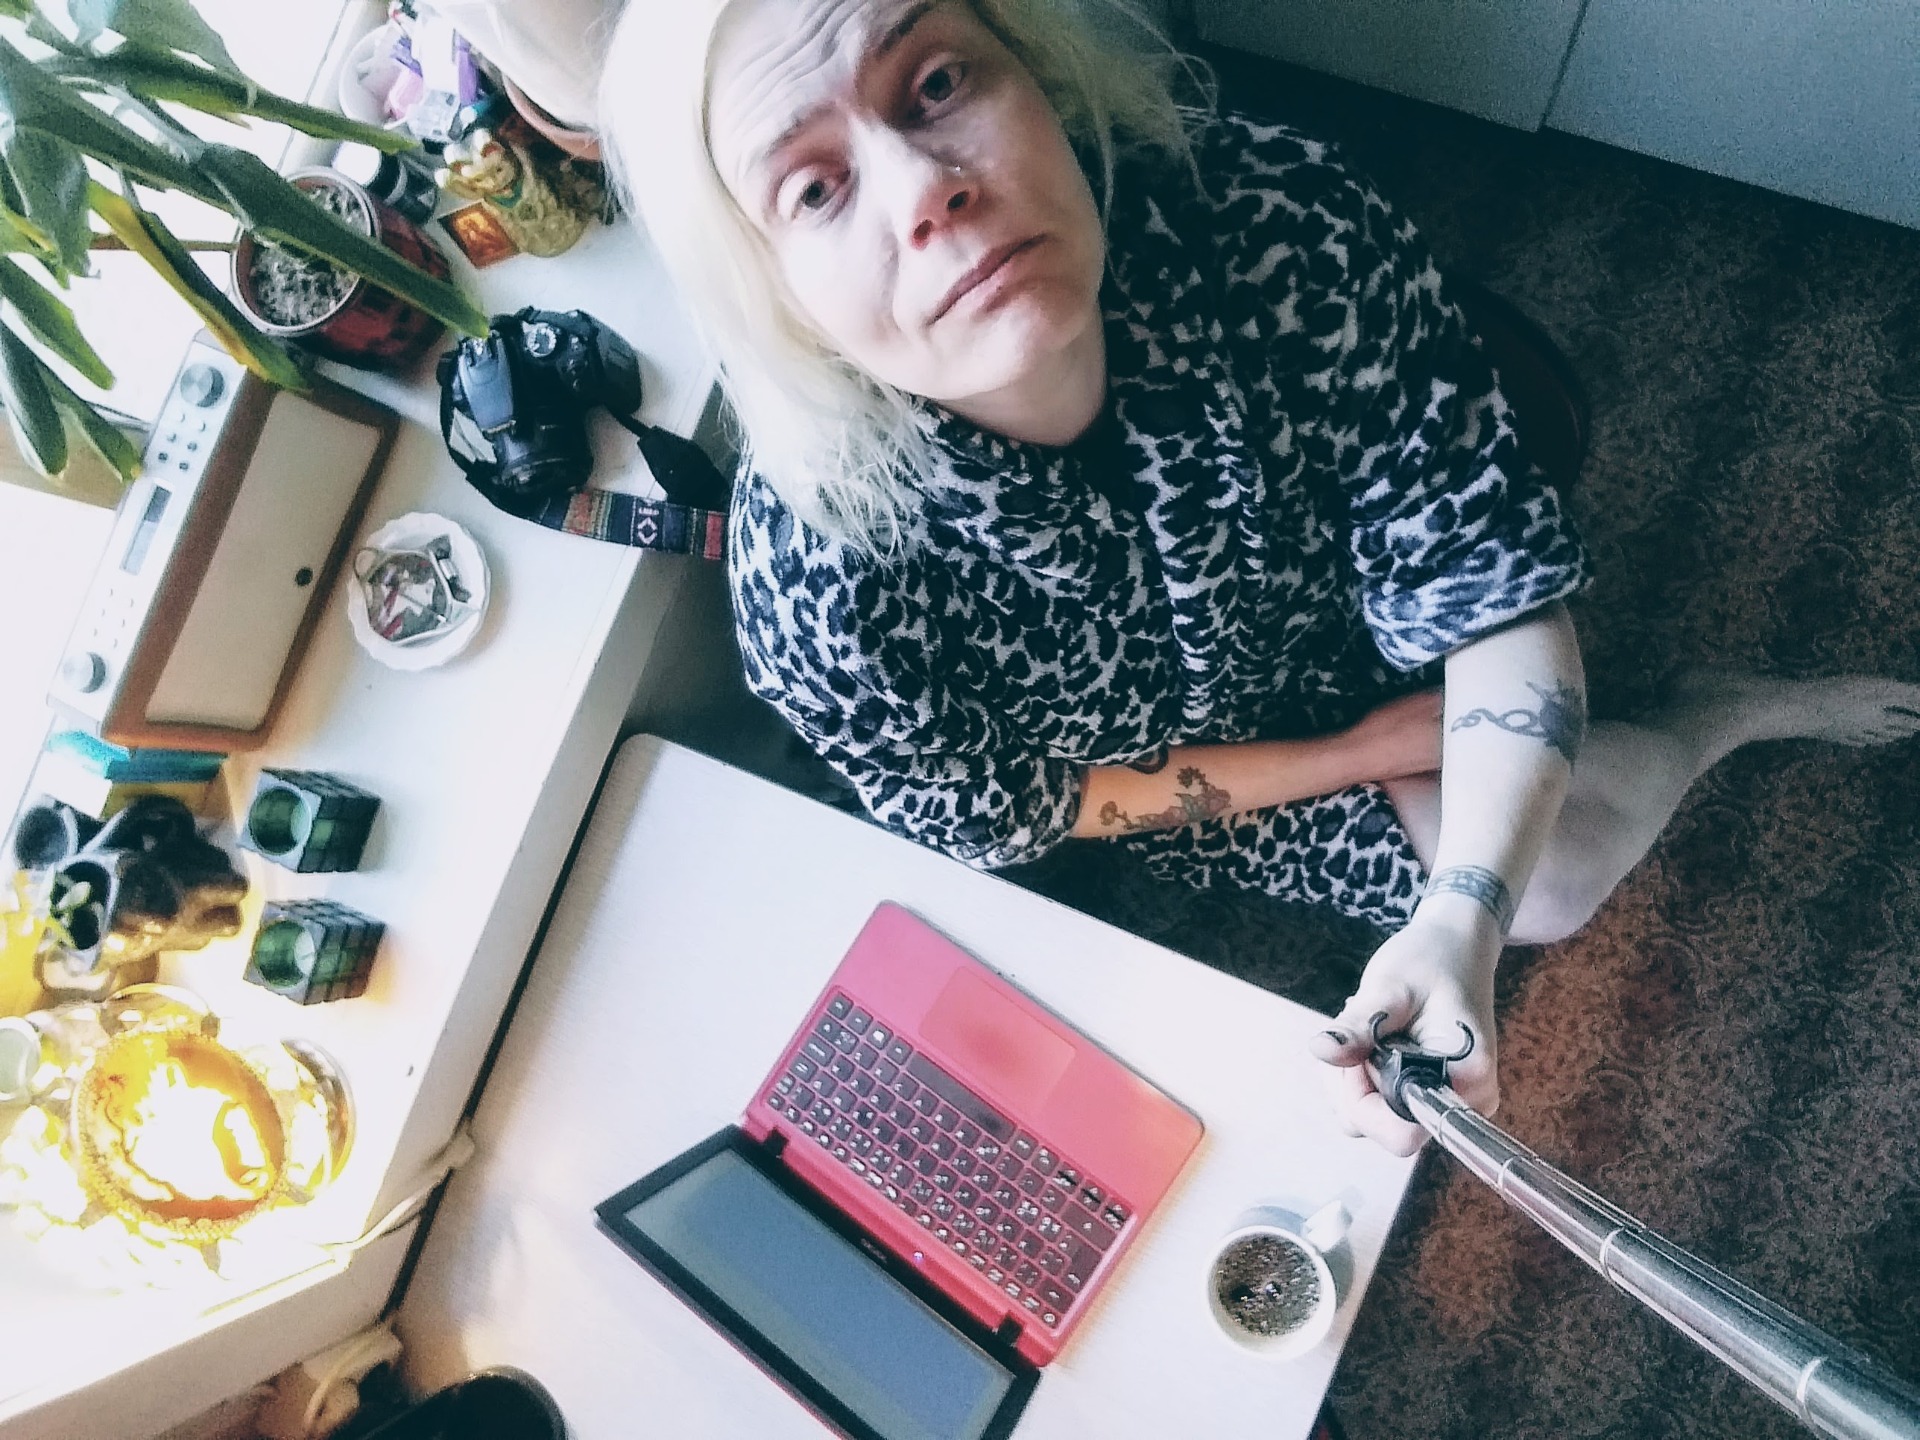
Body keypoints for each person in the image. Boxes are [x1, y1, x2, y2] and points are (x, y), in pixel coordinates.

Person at [596, 0, 1920, 1154]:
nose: (922, 190)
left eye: (935, 81)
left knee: (1523, 871)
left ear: (1033, 65)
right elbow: (1030, 810)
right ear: (776, 296)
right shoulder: (821, 595)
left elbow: (1488, 575)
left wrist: (1460, 918)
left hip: (1350, 600)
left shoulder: (1269, 222)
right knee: (1563, 882)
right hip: (1189, 775)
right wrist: (1361, 753)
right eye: (814, 190)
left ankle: (1710, 713)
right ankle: (1701, 716)